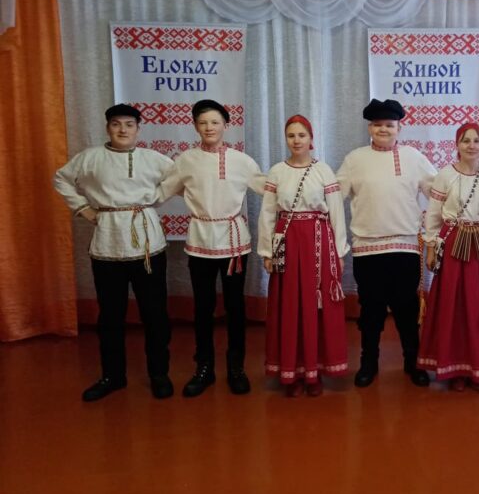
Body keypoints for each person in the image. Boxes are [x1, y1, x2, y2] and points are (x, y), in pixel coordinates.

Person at [53, 103, 173, 401]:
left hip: (147, 244)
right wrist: (83, 208)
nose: (123, 130)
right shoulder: (90, 158)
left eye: (129, 124)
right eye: (116, 124)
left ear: (138, 129)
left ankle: (159, 373)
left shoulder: (152, 158)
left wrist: (154, 199)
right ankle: (113, 375)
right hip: (108, 243)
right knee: (110, 315)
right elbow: (61, 178)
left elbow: (179, 178)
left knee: (155, 313)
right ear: (108, 127)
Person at [157, 99, 264, 397]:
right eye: (203, 122)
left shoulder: (242, 161)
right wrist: (123, 203)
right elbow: (162, 191)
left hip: (234, 243)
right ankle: (204, 367)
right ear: (195, 126)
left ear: (226, 125)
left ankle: (236, 367)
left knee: (235, 307)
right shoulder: (186, 160)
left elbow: (268, 188)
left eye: (215, 122)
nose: (209, 127)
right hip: (201, 242)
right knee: (203, 307)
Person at [336, 98, 436, 388]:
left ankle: (413, 362)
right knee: (371, 309)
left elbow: (439, 191)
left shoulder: (414, 157)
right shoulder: (355, 159)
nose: (383, 129)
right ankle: (368, 363)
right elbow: (333, 194)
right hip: (367, 248)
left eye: (389, 125)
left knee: (407, 309)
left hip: (405, 247)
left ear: (399, 128)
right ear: (370, 128)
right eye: (377, 125)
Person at [258, 115, 349, 397]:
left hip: (318, 243)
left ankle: (314, 371)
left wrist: (339, 252)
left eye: (301, 135)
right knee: (289, 304)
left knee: (315, 305)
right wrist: (267, 251)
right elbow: (267, 213)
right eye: (291, 135)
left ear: (311, 138)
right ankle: (291, 370)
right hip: (286, 241)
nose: (296, 140)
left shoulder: (323, 171)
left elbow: (336, 213)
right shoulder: (277, 172)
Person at [418, 122, 479, 392]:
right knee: (454, 302)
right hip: (454, 242)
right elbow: (434, 214)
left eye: (476, 140)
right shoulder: (445, 175)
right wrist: (431, 247)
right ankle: (455, 367)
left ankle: (478, 366)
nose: (471, 145)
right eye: (465, 140)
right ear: (457, 145)